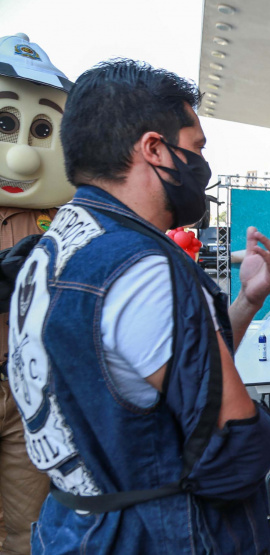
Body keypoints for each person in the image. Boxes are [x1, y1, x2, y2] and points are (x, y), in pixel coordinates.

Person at [6, 59, 270, 554]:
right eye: (196, 148)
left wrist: (248, 300)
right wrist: (263, 432)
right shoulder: (140, 267)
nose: (202, 166)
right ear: (153, 148)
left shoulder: (55, 246)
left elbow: (144, 371)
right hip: (154, 534)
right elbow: (233, 445)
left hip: (74, 526)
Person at [0, 33, 74, 555]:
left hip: (34, 395)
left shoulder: (63, 222)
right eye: (6, 124)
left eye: (42, 130)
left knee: (28, 532)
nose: (24, 157)